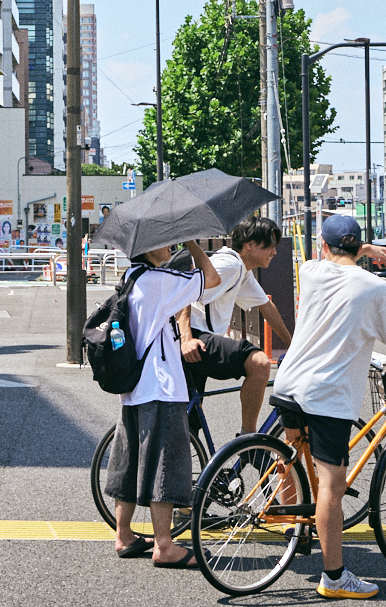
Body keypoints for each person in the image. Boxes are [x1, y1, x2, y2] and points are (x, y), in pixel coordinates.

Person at [271, 215, 386, 600]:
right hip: (326, 394)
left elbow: (336, 258)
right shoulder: (374, 287)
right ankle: (334, 578)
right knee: (332, 484)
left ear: (324, 246)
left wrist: (361, 249)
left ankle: (293, 524)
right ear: (357, 245)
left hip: (288, 382)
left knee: (294, 455)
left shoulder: (310, 271)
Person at [105, 239, 223, 568]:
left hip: (134, 386)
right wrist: (193, 242)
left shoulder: (131, 276)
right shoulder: (158, 280)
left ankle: (124, 534)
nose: (170, 246)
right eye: (164, 242)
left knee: (129, 462)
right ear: (146, 247)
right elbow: (212, 278)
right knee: (165, 464)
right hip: (161, 385)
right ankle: (165, 545)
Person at [175, 216, 294, 434]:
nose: (274, 252)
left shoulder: (241, 270)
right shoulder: (230, 265)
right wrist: (186, 338)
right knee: (259, 363)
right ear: (250, 244)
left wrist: (293, 346)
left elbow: (267, 307)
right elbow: (185, 289)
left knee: (186, 426)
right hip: (194, 338)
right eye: (269, 246)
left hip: (196, 339)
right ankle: (248, 440)